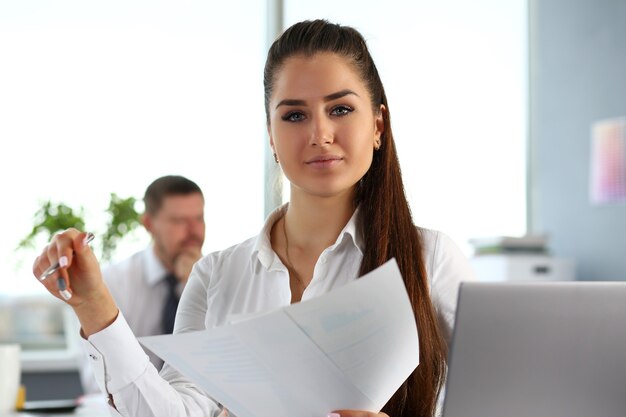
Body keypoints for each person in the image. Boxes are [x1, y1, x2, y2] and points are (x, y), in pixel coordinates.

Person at [33, 20, 475, 417]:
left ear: (378, 125)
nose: (319, 134)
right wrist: (93, 304)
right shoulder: (217, 275)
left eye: (340, 109)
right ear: (271, 135)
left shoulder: (430, 258)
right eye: (295, 115)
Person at [80, 175, 206, 393]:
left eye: (199, 219)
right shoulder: (114, 282)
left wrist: (196, 287)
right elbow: (97, 378)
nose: (194, 232)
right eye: (179, 221)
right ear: (149, 224)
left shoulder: (213, 279)